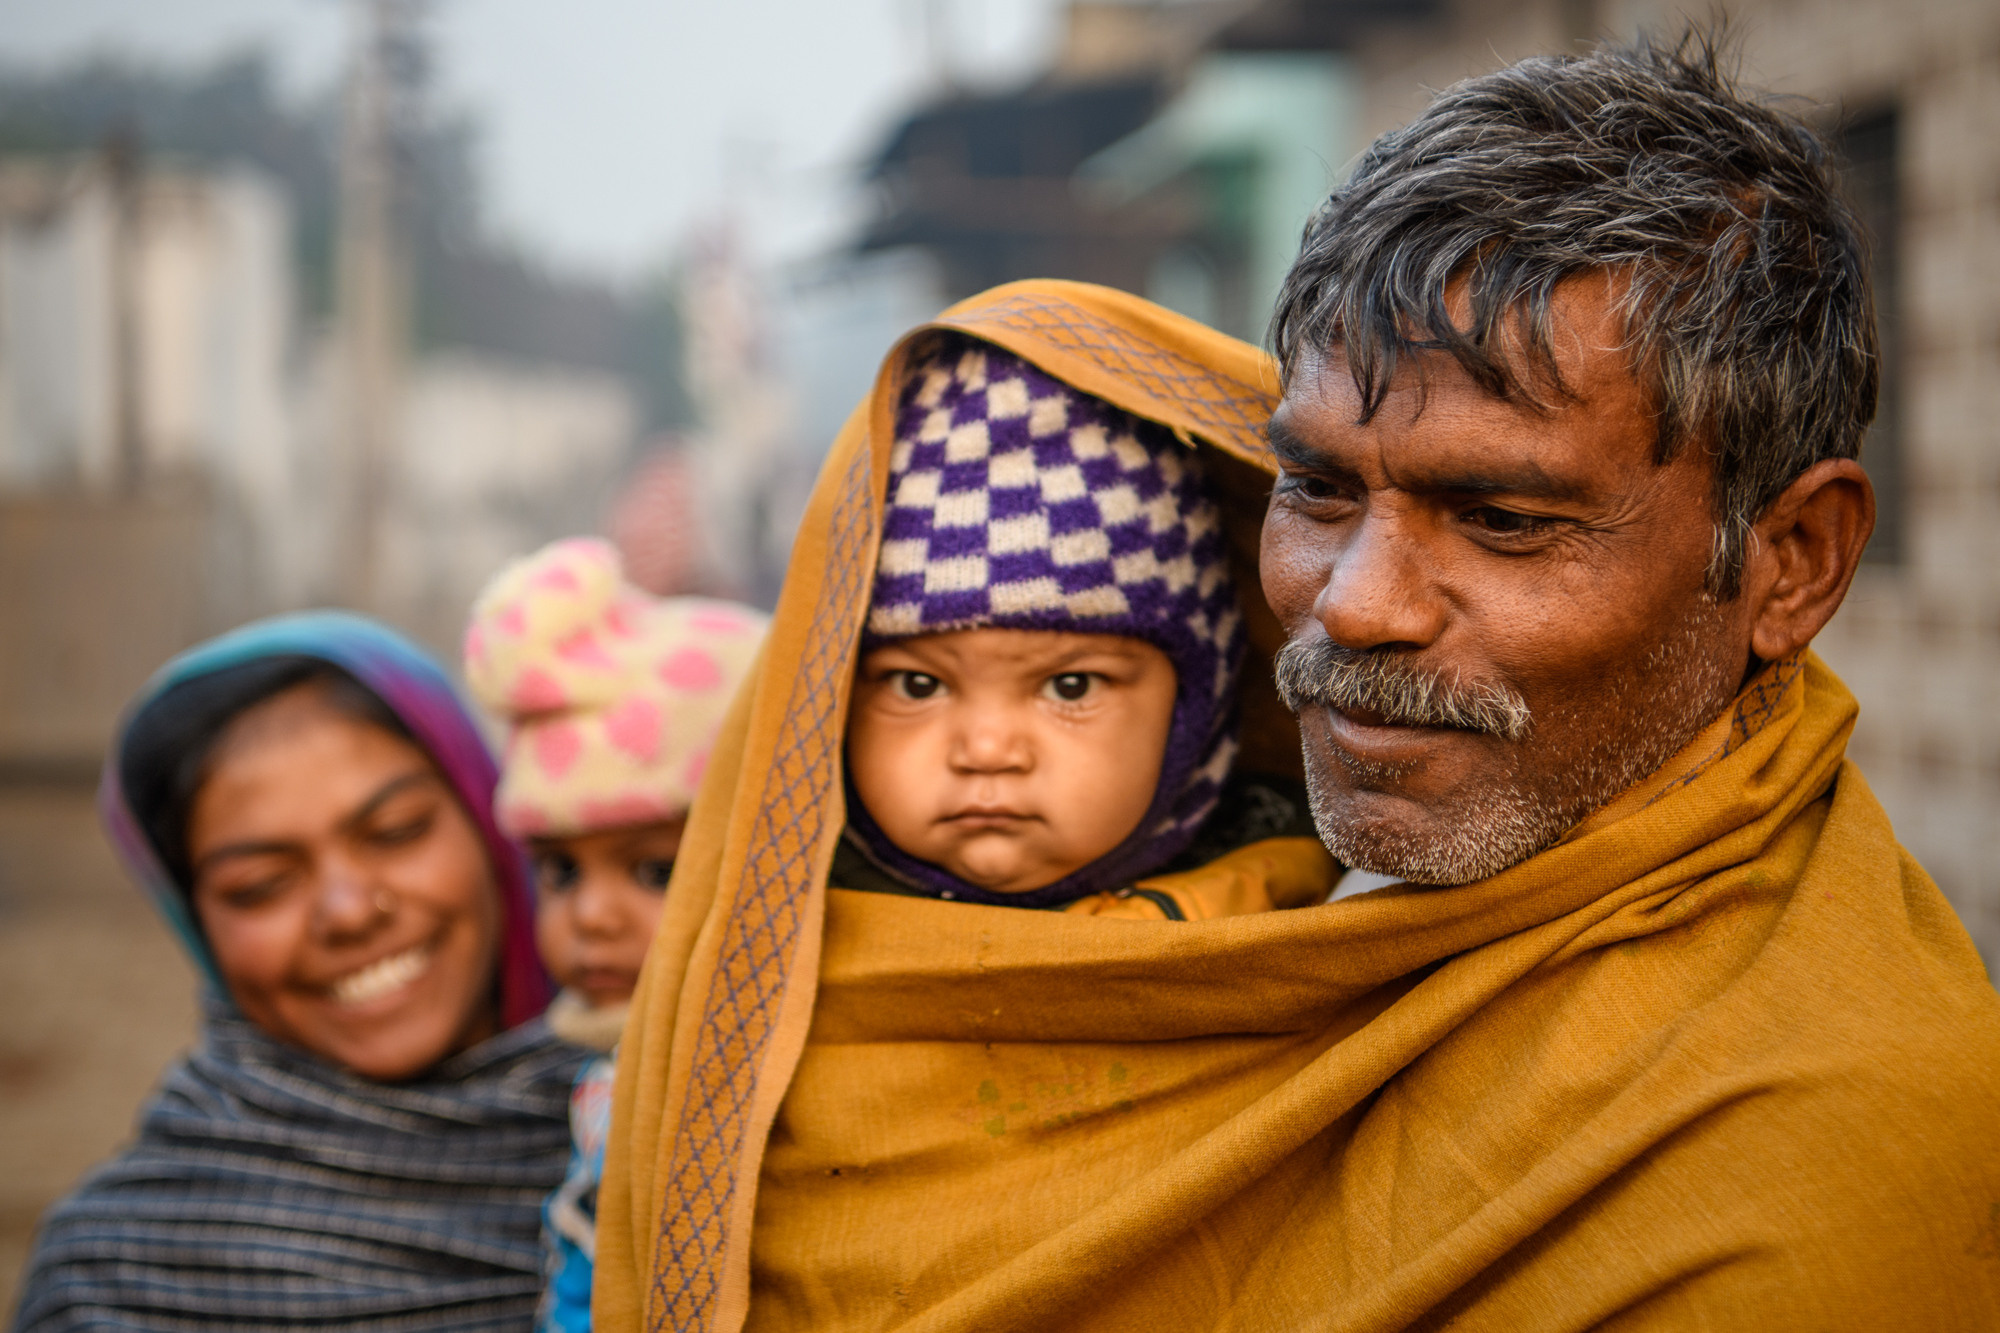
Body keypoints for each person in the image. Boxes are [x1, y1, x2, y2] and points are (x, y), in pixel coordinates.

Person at [596, 36, 2000, 1333]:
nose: (1352, 604)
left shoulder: (1824, 1152)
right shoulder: (1243, 883)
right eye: (1317, 488)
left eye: (1506, 519)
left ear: (1791, 563)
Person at [12, 612, 585, 1333]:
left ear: (493, 827)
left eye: (397, 830)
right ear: (197, 924)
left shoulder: (682, 1141)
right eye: (262, 884)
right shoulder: (116, 1275)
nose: (347, 912)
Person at [836, 330, 1330, 920]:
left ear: (1199, 712)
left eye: (1070, 686)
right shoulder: (770, 923)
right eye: (917, 685)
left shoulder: (1309, 905)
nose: (988, 750)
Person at [460, 537, 766, 1333]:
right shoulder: (608, 1066)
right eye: (559, 871)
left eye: (656, 872)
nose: (591, 916)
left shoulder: (765, 1078)